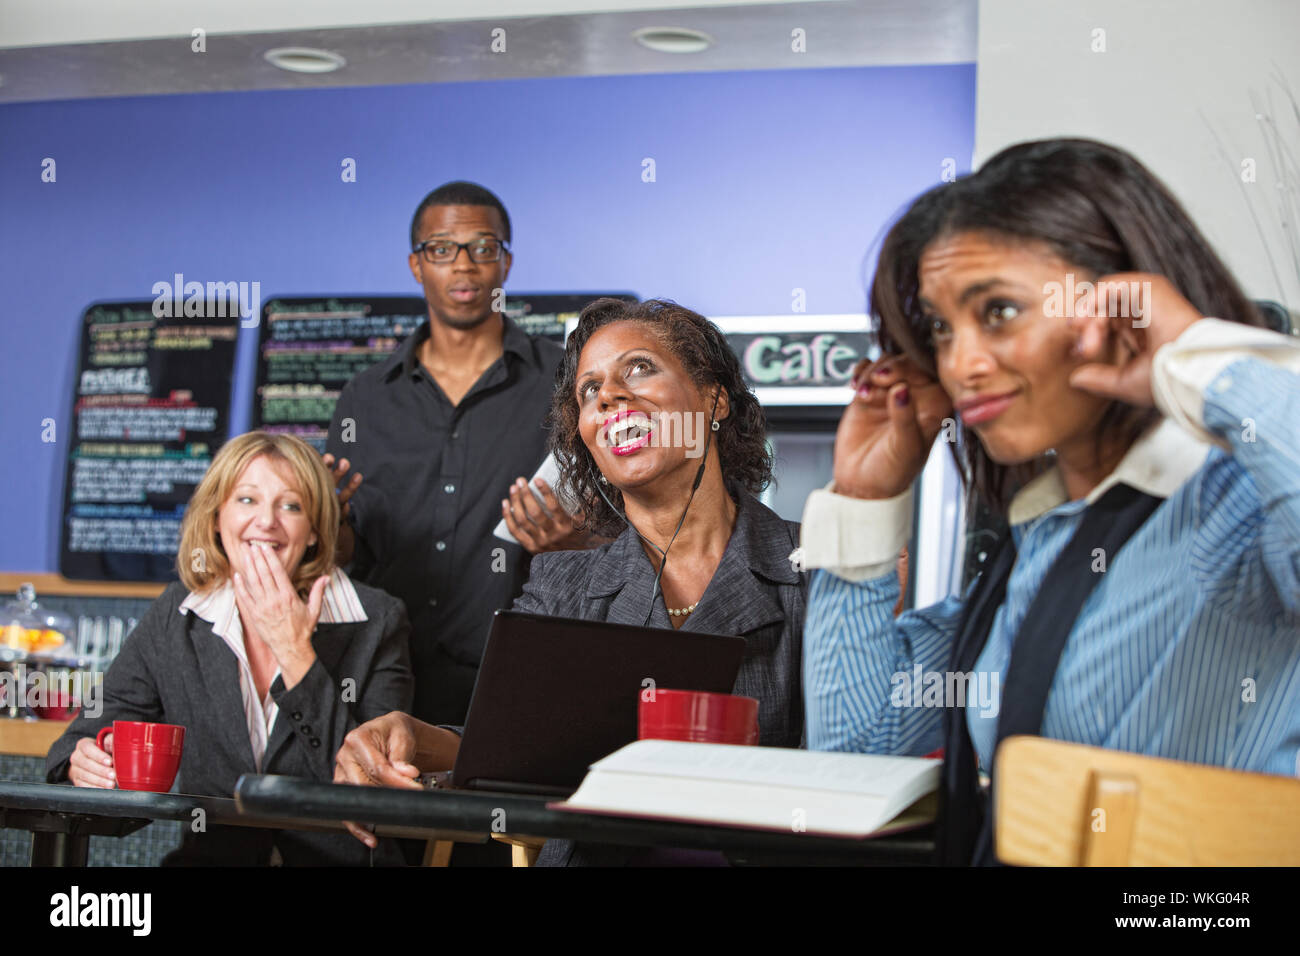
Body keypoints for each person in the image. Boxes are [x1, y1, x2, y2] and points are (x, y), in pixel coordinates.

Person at [798, 137, 1300, 865]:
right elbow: (855, 752)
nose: (961, 363)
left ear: (1123, 305)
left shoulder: (1241, 513)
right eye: (941, 328)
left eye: (997, 310)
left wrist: (1198, 356)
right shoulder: (1032, 551)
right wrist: (865, 500)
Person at [333, 298, 808, 864]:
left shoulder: (814, 568)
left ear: (714, 398)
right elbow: (508, 752)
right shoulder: (563, 583)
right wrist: (405, 736)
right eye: (590, 390)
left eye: (639, 368)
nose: (609, 396)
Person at [46, 432, 414, 866]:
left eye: (291, 505)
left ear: (315, 531)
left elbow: (371, 790)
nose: (267, 522)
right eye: (246, 500)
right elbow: (81, 738)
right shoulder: (177, 614)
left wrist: (295, 652)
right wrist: (82, 762)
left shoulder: (378, 620)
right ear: (217, 519)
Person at [322, 181, 591, 728]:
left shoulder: (567, 381)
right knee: (380, 811)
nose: (464, 265)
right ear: (416, 265)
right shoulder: (365, 398)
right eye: (442, 249)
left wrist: (574, 541)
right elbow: (352, 550)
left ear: (506, 263)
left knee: (507, 813)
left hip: (517, 672)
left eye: (482, 247)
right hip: (379, 675)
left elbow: (621, 520)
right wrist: (329, 525)